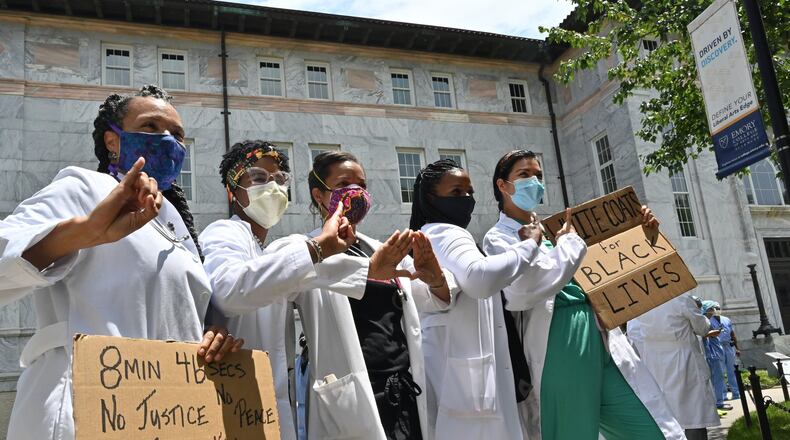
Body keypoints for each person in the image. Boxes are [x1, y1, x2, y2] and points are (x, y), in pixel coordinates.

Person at [0, 85, 239, 439]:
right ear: (113, 142)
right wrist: (84, 231)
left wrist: (210, 334)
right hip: (88, 407)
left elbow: (179, 309)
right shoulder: (84, 188)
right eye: (151, 127)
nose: (168, 141)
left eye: (177, 134)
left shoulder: (178, 225)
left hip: (171, 412)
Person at [200, 141, 415, 440]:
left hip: (266, 397)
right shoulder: (224, 232)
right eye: (259, 178)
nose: (273, 187)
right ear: (232, 190)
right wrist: (320, 249)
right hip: (235, 395)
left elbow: (305, 274)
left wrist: (366, 269)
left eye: (279, 180)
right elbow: (228, 288)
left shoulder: (265, 250)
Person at [483, 149, 685, 440]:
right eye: (524, 175)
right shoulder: (499, 237)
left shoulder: (555, 229)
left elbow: (610, 270)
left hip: (600, 336)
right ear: (503, 185)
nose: (534, 182)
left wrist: (645, 236)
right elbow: (524, 290)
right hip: (560, 343)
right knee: (571, 433)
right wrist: (569, 245)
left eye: (538, 176)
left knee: (650, 430)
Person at [298, 151, 456, 440]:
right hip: (353, 393)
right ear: (319, 195)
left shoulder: (381, 248)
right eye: (345, 183)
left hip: (402, 389)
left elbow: (434, 297)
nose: (357, 192)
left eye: (362, 184)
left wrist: (435, 278)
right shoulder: (305, 251)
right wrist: (369, 271)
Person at [409, 159, 555, 440]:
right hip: (467, 383)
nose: (466, 200)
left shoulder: (434, 234)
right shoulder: (446, 232)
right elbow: (480, 279)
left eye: (469, 192)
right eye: (455, 192)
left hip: (465, 377)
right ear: (430, 197)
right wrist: (530, 244)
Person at [628, 294, 721, 440]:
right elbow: (702, 328)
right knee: (694, 415)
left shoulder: (639, 305)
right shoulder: (681, 299)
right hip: (686, 363)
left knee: (669, 415)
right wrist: (702, 315)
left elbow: (635, 336)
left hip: (656, 365)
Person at [702, 300, 732, 411]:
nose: (713, 311)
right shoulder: (703, 320)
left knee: (719, 378)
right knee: (715, 379)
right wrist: (711, 333)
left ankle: (718, 401)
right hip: (709, 354)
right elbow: (702, 334)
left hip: (715, 352)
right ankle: (718, 402)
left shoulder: (712, 320)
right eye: (711, 309)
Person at [716, 307, 741, 401]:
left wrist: (737, 348)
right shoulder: (709, 320)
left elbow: (732, 334)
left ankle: (736, 393)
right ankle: (723, 395)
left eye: (717, 308)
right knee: (720, 372)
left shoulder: (726, 319)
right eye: (714, 308)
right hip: (717, 347)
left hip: (728, 346)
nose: (716, 310)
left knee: (732, 370)